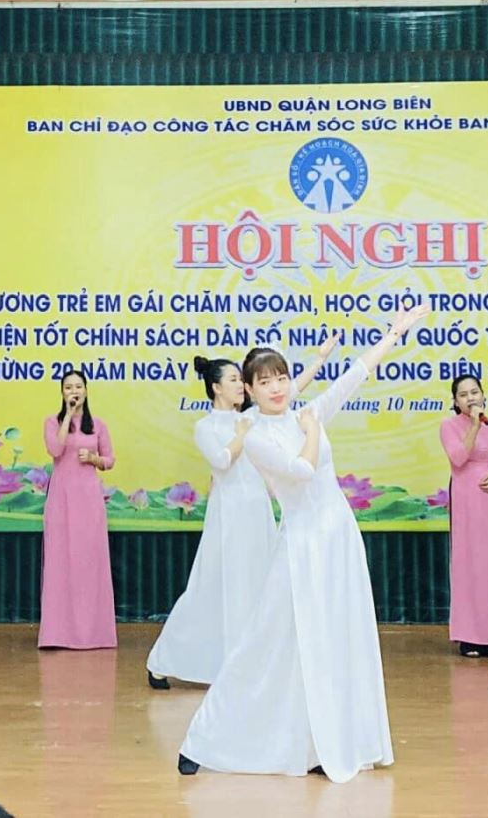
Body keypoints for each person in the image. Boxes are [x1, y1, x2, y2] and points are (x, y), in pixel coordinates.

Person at [179, 304, 429, 783]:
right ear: (248, 389)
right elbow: (301, 471)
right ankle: (205, 740)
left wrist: (393, 333)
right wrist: (312, 431)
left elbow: (354, 376)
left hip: (339, 539)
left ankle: (323, 742)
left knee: (336, 640)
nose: (276, 387)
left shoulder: (306, 414)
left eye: (281, 378)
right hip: (300, 546)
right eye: (264, 381)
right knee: (265, 642)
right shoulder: (255, 436)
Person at [146, 337, 335, 688]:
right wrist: (241, 435)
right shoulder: (206, 427)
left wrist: (320, 359)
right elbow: (220, 461)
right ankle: (162, 660)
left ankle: (244, 666)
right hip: (229, 516)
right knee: (210, 589)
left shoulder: (250, 417)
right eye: (233, 379)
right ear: (216, 387)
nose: (240, 385)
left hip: (257, 510)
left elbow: (292, 390)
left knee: (258, 588)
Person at [439, 374, 488, 658]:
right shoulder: (448, 426)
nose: (470, 398)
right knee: (469, 562)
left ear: (483, 394)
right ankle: (470, 636)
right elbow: (458, 458)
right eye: (463, 395)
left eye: (474, 392)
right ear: (455, 401)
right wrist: (474, 425)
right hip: (466, 499)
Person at [38, 369, 117, 650]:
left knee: (89, 562)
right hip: (61, 499)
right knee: (60, 561)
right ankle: (58, 634)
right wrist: (68, 417)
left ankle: (94, 634)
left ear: (86, 390)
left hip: (89, 499)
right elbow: (55, 450)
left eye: (78, 387)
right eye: (69, 387)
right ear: (62, 393)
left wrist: (94, 458)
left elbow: (110, 460)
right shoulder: (52, 422)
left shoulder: (98, 425)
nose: (74, 391)